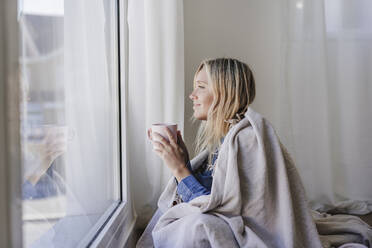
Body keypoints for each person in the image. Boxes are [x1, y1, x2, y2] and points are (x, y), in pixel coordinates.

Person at [138, 58, 372, 248]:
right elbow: (218, 196)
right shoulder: (228, 137)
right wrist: (183, 163)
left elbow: (222, 210)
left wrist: (180, 170)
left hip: (259, 231)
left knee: (200, 225)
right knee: (173, 213)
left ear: (224, 92)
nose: (192, 95)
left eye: (200, 87)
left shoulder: (247, 138)